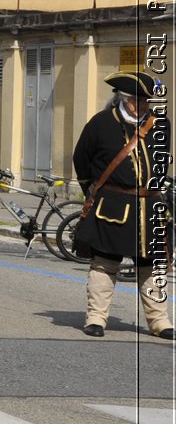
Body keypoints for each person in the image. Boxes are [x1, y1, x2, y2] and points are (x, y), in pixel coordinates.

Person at [72, 71, 173, 339]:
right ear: (122, 97)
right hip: (112, 206)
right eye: (137, 100)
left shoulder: (161, 124)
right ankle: (96, 318)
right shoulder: (101, 123)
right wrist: (93, 192)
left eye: (146, 101)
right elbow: (81, 159)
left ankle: (159, 321)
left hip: (150, 206)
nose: (142, 106)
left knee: (152, 266)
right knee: (104, 264)